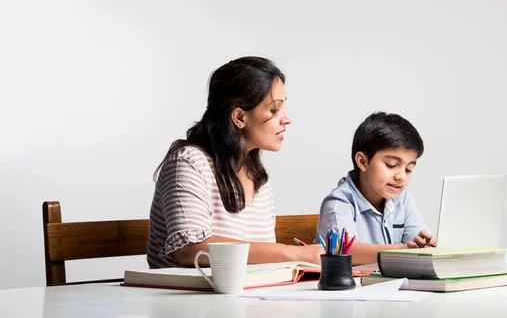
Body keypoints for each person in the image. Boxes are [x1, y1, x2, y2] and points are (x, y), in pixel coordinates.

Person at [147, 56, 323, 268]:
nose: (287, 119)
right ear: (239, 117)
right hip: (186, 298)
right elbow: (190, 250)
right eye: (274, 110)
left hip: (242, 297)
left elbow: (260, 260)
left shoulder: (259, 179)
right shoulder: (189, 163)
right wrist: (296, 254)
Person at [316, 112, 436, 265]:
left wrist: (423, 245)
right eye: (392, 165)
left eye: (408, 169)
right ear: (363, 162)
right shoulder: (339, 202)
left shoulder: (402, 198)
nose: (401, 176)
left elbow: (416, 242)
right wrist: (400, 251)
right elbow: (345, 252)